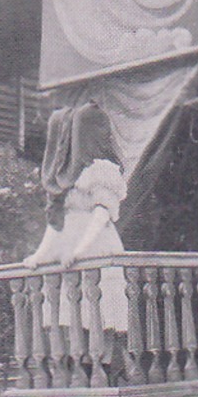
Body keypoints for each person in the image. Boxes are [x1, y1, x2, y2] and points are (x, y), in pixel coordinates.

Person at [23, 97, 128, 340]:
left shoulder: (101, 169)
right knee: (71, 316)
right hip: (66, 244)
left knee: (98, 313)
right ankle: (80, 365)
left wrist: (80, 251)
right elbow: (56, 222)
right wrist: (40, 254)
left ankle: (104, 365)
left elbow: (101, 216)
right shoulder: (62, 179)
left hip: (94, 245)